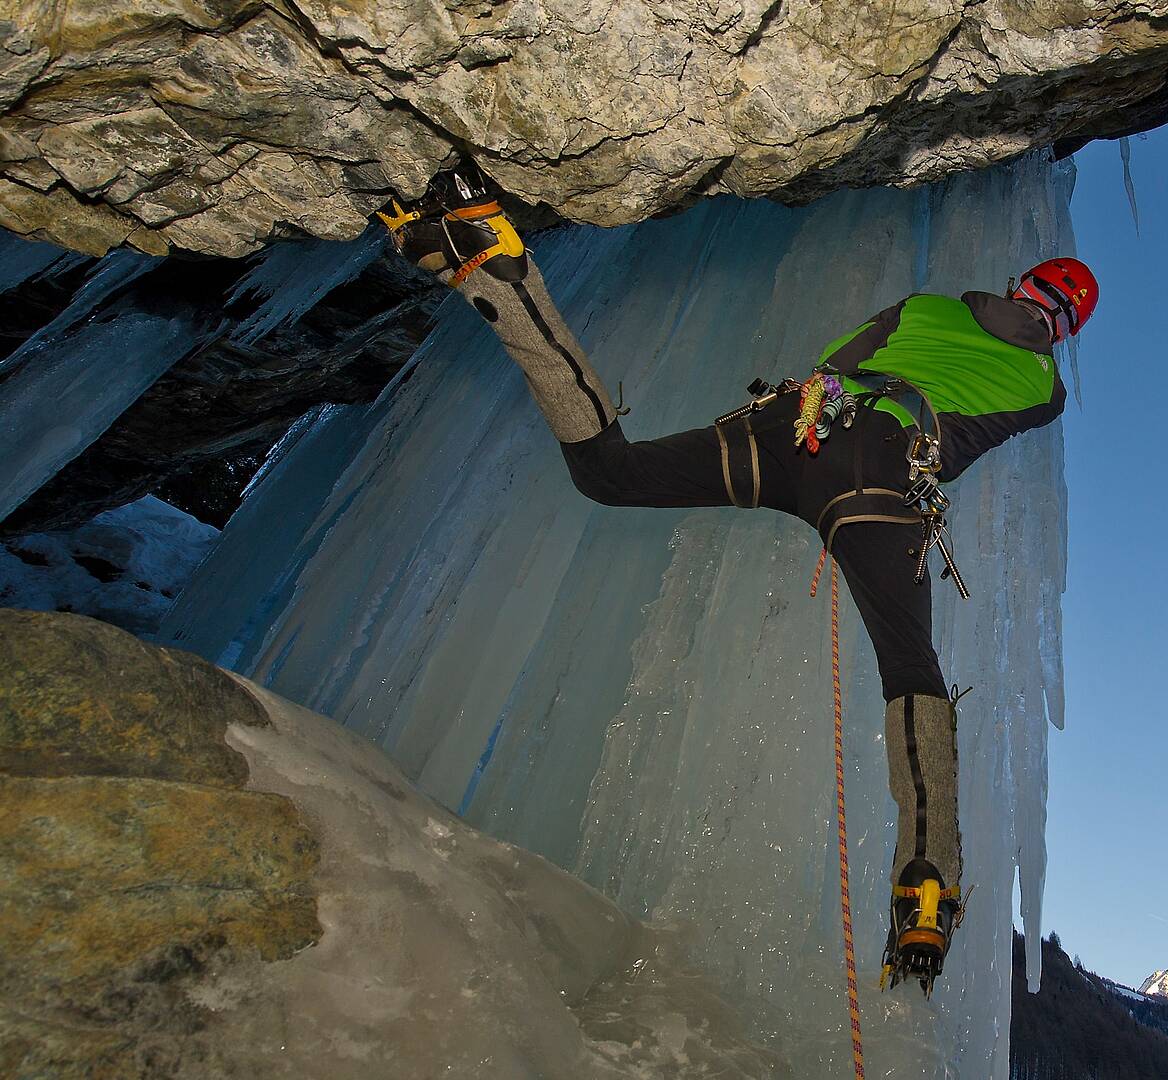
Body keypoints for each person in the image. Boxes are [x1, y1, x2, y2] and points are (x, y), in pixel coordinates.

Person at [378, 164, 1096, 993]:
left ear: (1020, 281)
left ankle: (493, 266)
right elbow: (999, 412)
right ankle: (926, 877)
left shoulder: (928, 307)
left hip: (797, 431)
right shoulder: (1046, 390)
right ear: (1068, 328)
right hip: (882, 480)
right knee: (912, 671)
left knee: (611, 473)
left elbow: (837, 358)